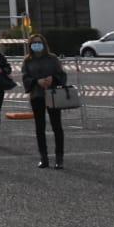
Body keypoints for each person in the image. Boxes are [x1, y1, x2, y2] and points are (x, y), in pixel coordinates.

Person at [21, 33, 69, 170]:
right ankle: (44, 157)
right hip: (36, 95)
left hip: (53, 95)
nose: (37, 45)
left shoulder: (52, 58)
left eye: (39, 42)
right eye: (34, 43)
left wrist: (53, 79)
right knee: (39, 127)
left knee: (57, 127)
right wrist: (36, 81)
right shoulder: (27, 61)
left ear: (44, 44)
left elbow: (62, 75)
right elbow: (25, 77)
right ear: (30, 45)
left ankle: (59, 158)